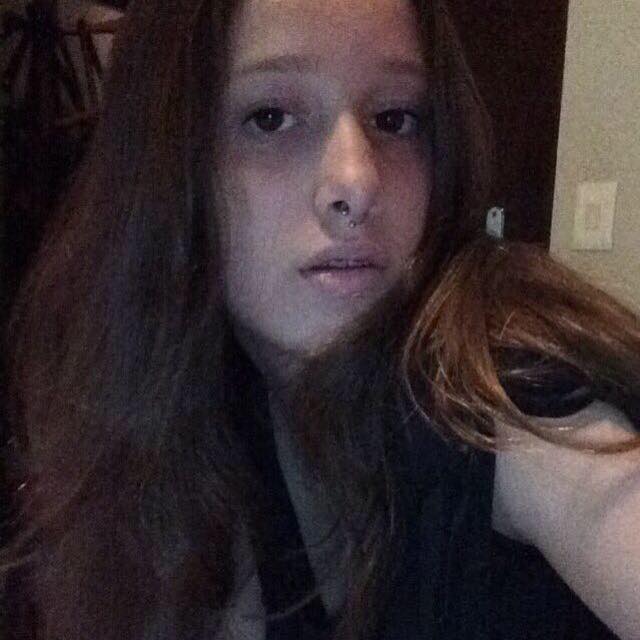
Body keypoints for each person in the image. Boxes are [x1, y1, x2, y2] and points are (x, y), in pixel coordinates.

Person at [2, 0, 640, 638]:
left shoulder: (502, 383)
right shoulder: (205, 406)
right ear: (168, 160)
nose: (356, 183)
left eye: (395, 118)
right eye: (271, 118)